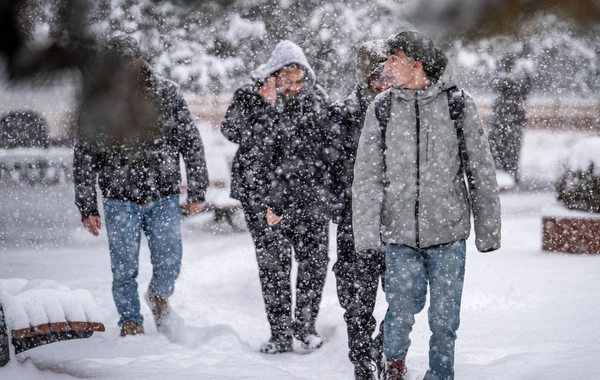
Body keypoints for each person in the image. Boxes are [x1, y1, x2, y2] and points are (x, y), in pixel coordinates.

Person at [352, 31, 501, 380]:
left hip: (448, 234)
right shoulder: (383, 108)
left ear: (416, 64)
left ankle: (440, 374)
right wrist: (366, 233)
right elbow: (367, 176)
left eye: (394, 59)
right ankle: (394, 367)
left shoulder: (458, 104)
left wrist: (488, 230)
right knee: (400, 310)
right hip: (400, 235)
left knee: (445, 320)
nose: (386, 66)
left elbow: (480, 169)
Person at [73, 35, 209, 337]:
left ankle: (159, 296)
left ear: (139, 60)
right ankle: (130, 320)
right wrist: (87, 206)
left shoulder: (166, 93)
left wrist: (198, 189)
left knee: (170, 260)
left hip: (162, 195)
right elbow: (84, 155)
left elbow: (190, 141)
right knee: (123, 267)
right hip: (118, 197)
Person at [221, 40, 330, 354]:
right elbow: (233, 131)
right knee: (273, 266)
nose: (294, 87)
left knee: (314, 261)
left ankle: (305, 327)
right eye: (287, 81)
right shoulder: (249, 96)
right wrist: (265, 107)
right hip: (261, 193)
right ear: (273, 74)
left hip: (309, 195)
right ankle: (280, 333)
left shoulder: (316, 99)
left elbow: (314, 148)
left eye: (299, 81)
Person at [328, 40, 390, 380]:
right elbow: (324, 170)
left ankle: (387, 349)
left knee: (404, 296)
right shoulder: (342, 115)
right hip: (355, 223)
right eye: (378, 75)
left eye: (390, 73)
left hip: (398, 225)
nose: (385, 82)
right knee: (355, 299)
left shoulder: (408, 114)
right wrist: (343, 206)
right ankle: (362, 360)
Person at [487, 53, 532, 185]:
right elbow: (496, 84)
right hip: (500, 118)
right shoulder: (500, 76)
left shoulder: (523, 70)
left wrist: (511, 82)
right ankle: (500, 174)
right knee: (497, 147)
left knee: (512, 148)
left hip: (515, 118)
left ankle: (510, 174)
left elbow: (526, 85)